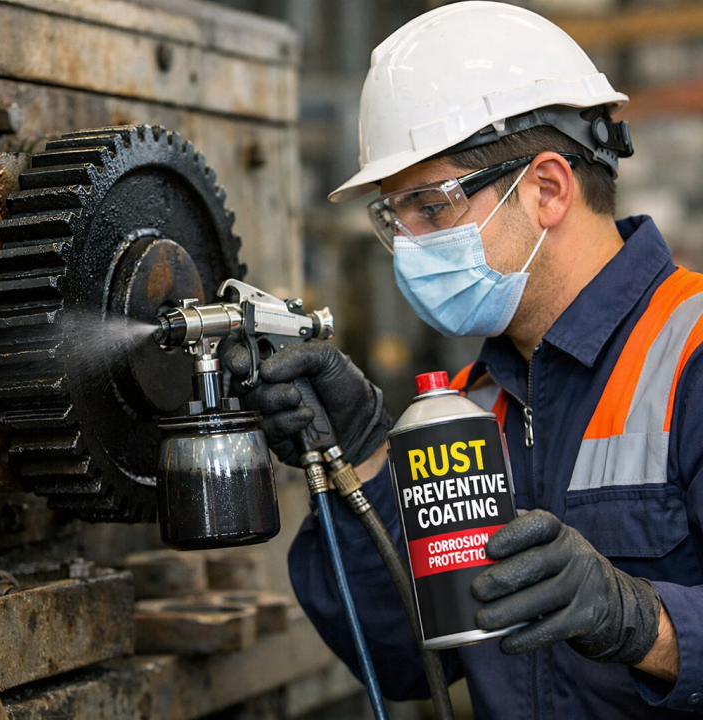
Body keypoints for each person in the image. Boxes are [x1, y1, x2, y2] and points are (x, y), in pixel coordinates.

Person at [223, 2, 703, 717]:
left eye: (432, 207)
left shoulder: (689, 354)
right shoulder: (473, 405)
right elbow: (406, 662)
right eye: (392, 217)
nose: (408, 246)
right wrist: (361, 460)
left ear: (546, 188)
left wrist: (644, 623)